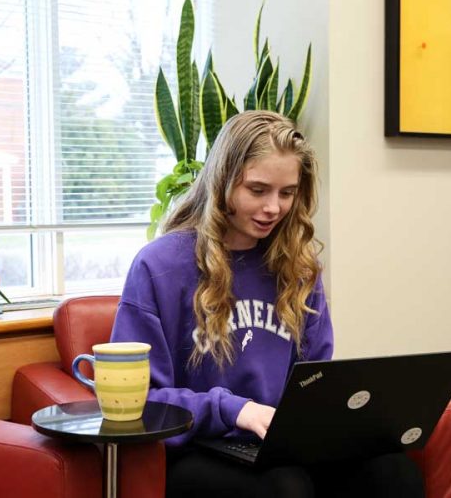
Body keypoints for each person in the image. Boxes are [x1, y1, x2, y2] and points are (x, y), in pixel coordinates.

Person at [110, 110, 424, 498]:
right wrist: (235, 410)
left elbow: (315, 378)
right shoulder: (158, 266)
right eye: (257, 190)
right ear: (222, 182)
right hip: (200, 448)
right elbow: (141, 401)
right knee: (285, 488)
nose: (274, 207)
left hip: (282, 445)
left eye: (287, 192)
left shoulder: (299, 267)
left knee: (393, 472)